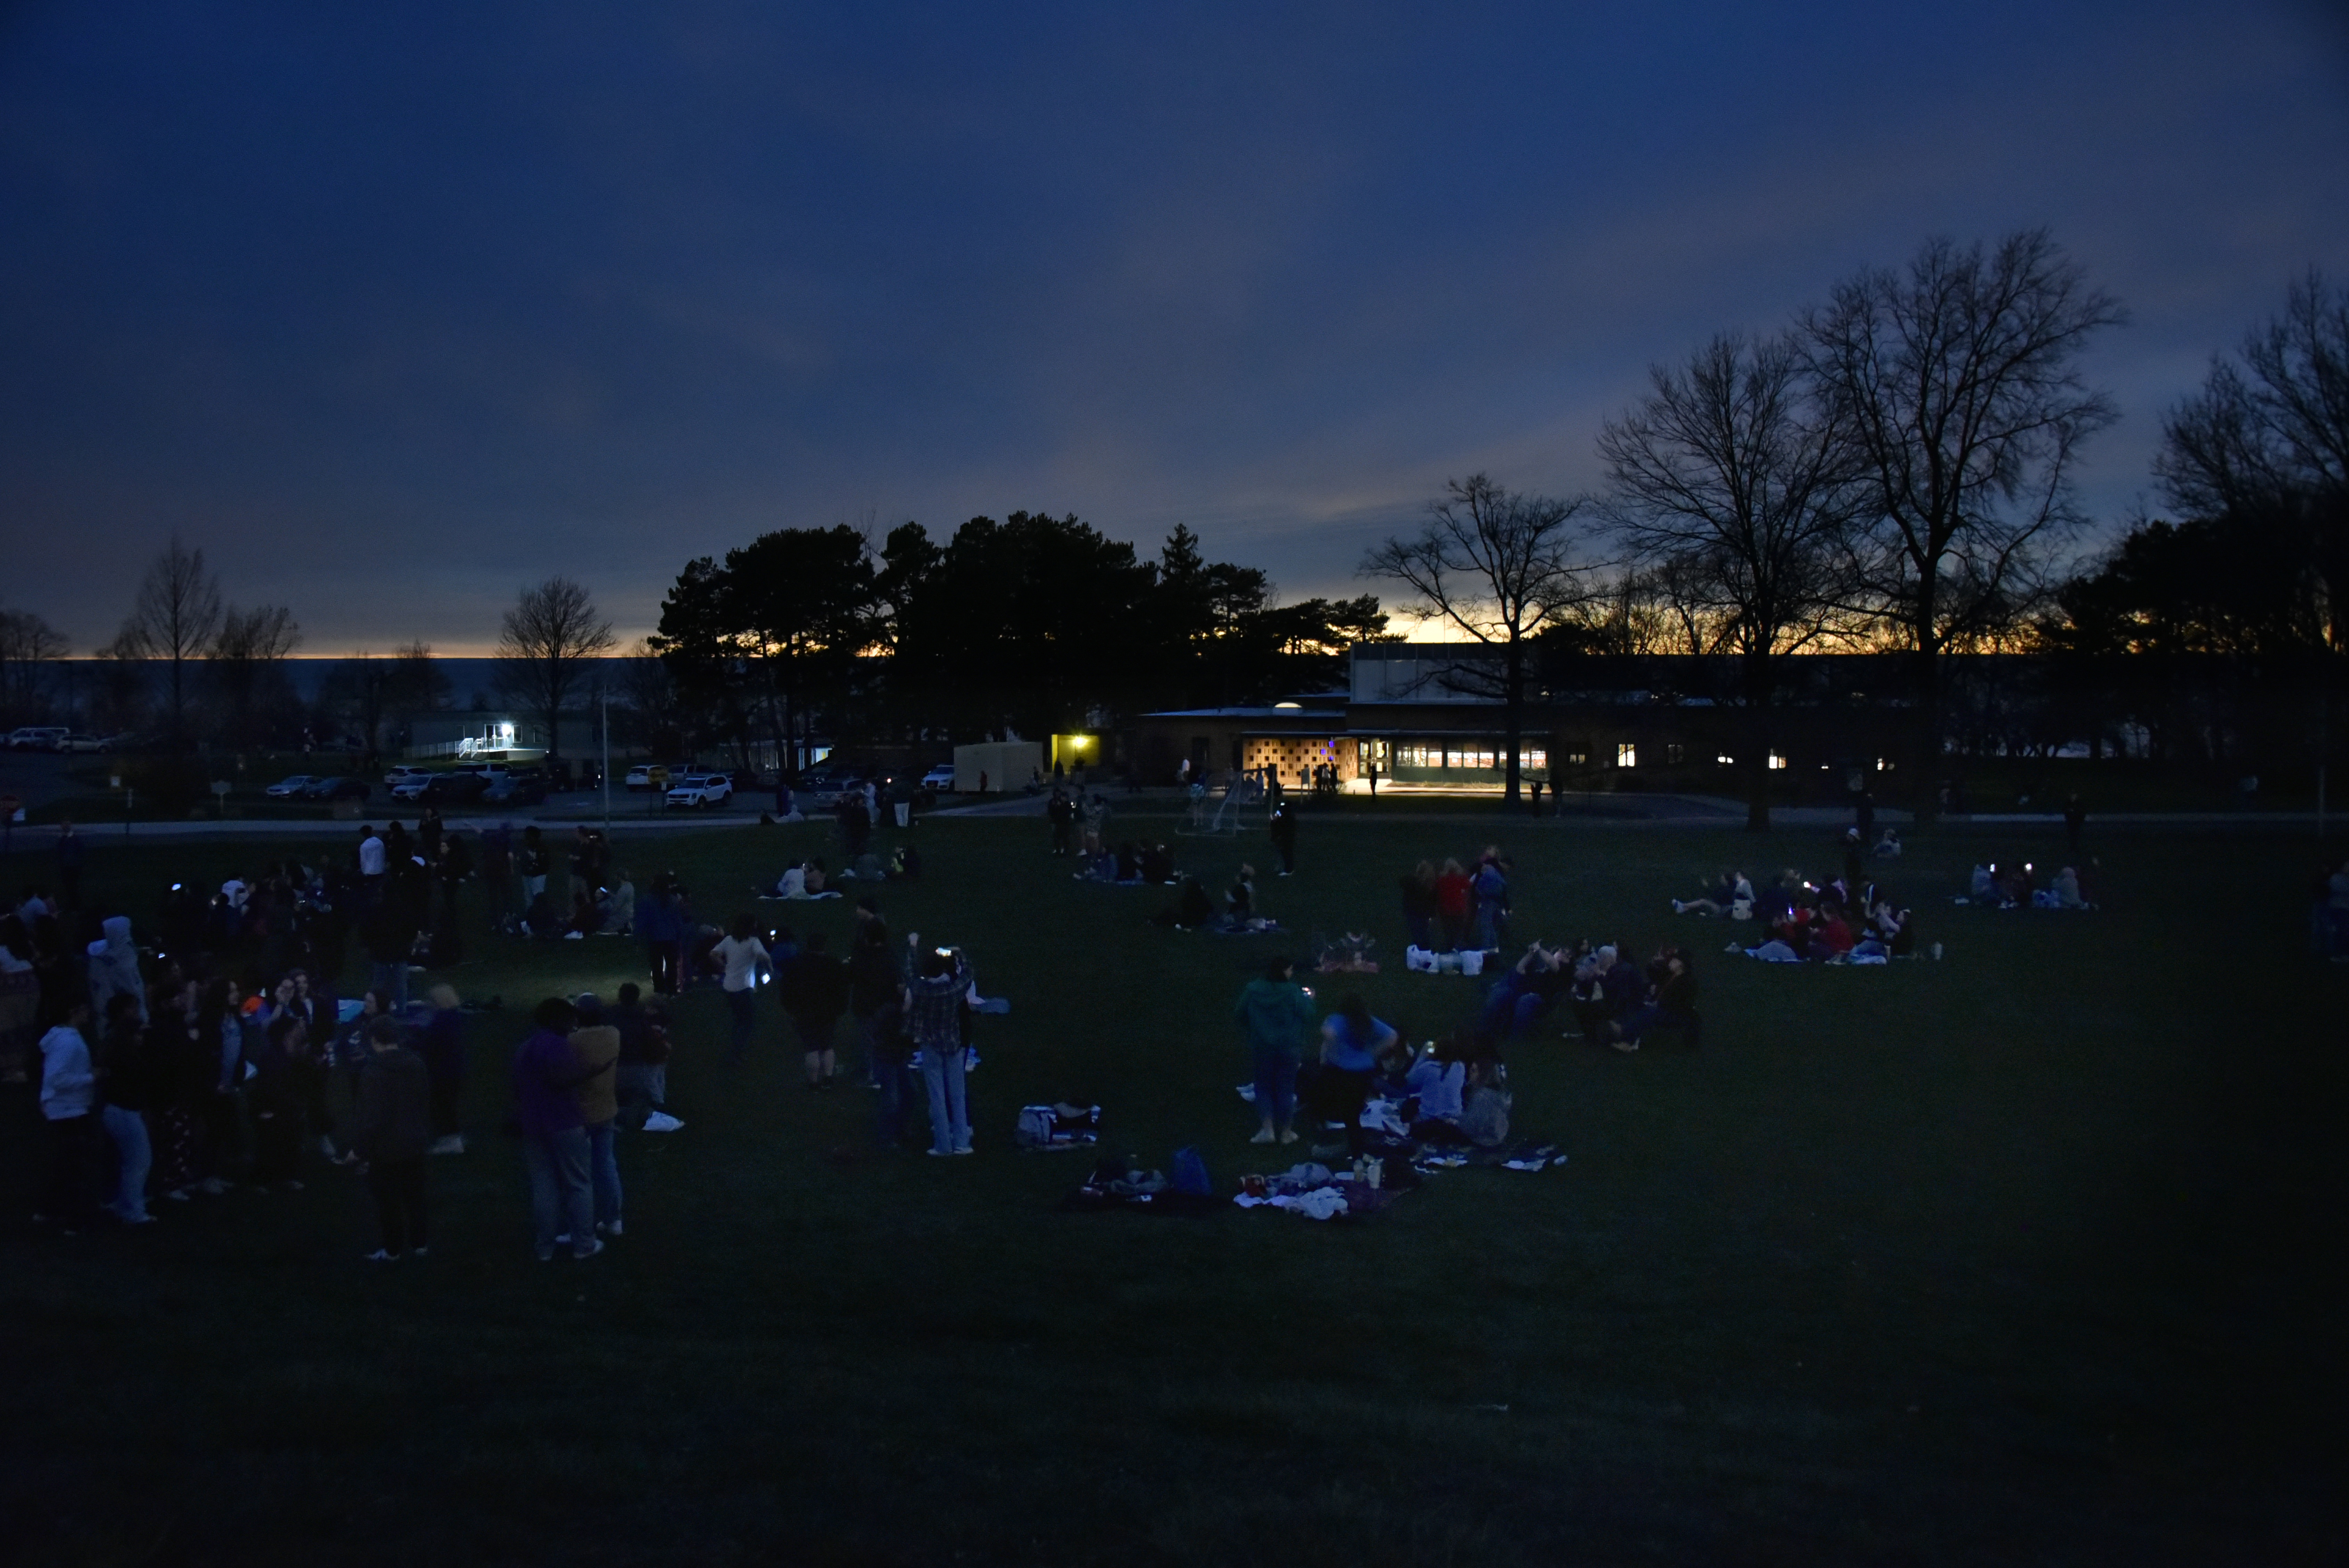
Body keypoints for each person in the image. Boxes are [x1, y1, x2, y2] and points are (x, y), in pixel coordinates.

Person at [514, 998, 601, 1261]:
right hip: (564, 1122)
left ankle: (545, 1247)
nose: (574, 1024)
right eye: (570, 1019)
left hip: (533, 1123)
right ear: (557, 1020)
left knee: (544, 1186)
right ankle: (584, 1244)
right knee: (578, 1183)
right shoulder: (557, 1046)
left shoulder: (525, 1048)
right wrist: (591, 1073)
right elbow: (560, 1080)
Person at [351, 1015, 432, 1260]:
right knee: (415, 1197)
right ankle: (420, 1244)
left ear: (374, 1040)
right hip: (415, 1141)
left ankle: (393, 1250)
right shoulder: (417, 1064)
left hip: (386, 1148)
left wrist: (360, 1150)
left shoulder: (374, 1072)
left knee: (389, 1201)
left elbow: (372, 1117)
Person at [1234, 955, 1315, 1144]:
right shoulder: (1294, 993)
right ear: (1284, 971)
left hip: (1262, 1047)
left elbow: (1240, 1013)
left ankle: (1268, 1130)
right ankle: (1287, 1133)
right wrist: (1310, 999)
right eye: (1290, 969)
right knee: (1286, 1089)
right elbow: (1309, 1015)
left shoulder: (1253, 990)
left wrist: (1255, 1028)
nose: (1292, 972)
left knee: (1263, 1088)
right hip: (1289, 1048)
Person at [35, 1000, 100, 1231]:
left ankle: (50, 1211)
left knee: (66, 1165)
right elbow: (58, 1079)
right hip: (69, 1110)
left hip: (66, 1109)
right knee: (74, 1167)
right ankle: (72, 1218)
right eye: (84, 1008)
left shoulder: (64, 1039)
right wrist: (91, 1078)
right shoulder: (67, 1042)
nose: (88, 1012)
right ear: (73, 1011)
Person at [95, 991, 159, 1224]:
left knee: (131, 1161)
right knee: (139, 1161)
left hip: (117, 1111)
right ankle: (134, 1211)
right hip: (124, 1112)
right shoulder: (127, 1056)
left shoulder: (115, 1048)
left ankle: (124, 1205)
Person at [906, 945, 971, 1156]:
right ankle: (962, 1142)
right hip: (953, 1044)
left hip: (930, 1045)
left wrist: (913, 948)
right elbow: (969, 973)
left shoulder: (920, 990)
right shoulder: (953, 990)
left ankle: (942, 1145)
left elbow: (910, 973)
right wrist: (959, 953)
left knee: (937, 1095)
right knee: (958, 1094)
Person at [569, 994, 623, 1239]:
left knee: (578, 1173)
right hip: (606, 1109)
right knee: (606, 1165)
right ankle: (613, 1220)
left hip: (580, 1113)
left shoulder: (572, 1041)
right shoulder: (613, 1034)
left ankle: (580, 1224)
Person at [1316, 996, 1397, 1158]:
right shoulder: (1369, 1022)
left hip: (1343, 1073)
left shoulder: (1337, 1020)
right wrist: (1373, 1052)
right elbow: (1392, 1036)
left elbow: (1328, 1033)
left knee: (1346, 1114)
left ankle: (1354, 1152)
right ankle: (1357, 1151)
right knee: (1354, 1113)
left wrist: (1333, 1052)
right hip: (1365, 1073)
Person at [779, 932, 849, 1087]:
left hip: (804, 1011)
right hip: (829, 1011)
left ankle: (813, 1080)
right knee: (827, 1045)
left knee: (811, 1046)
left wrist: (791, 1009)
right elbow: (843, 989)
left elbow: (786, 989)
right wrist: (840, 1008)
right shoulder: (834, 964)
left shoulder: (797, 964)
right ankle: (828, 1078)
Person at [711, 912, 773, 1065]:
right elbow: (764, 956)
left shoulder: (728, 940)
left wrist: (723, 966)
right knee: (747, 1022)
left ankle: (735, 1051)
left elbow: (713, 954)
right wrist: (770, 970)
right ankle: (735, 1054)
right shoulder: (753, 942)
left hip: (729, 987)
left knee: (739, 1020)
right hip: (744, 988)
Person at [1609, 949, 1698, 1051]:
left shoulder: (1688, 982)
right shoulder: (1671, 975)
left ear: (1682, 965)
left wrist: (1659, 1003)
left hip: (1674, 1013)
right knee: (1638, 1004)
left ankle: (1627, 1040)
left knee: (1652, 1012)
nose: (1671, 962)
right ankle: (1623, 1028)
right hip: (1662, 1006)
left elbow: (1681, 1004)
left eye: (1675, 960)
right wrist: (1655, 963)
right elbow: (1653, 974)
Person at [421, 984, 466, 1153]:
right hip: (453, 1069)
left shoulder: (441, 1021)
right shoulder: (454, 1017)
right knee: (448, 1105)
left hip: (442, 1071)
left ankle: (451, 1141)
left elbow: (431, 1045)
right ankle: (453, 1138)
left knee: (441, 1106)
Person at [85, 914, 147, 1026]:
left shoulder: (125, 953)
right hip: (119, 1017)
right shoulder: (103, 961)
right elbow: (105, 993)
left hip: (131, 1010)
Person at [1435, 859, 1472, 951]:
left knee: (1448, 930)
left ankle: (1448, 949)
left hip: (1445, 909)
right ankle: (1459, 949)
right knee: (1458, 930)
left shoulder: (1442, 879)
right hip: (1459, 908)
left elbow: (1437, 889)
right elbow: (1468, 886)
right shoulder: (1462, 878)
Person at [1268, 802, 1297, 877]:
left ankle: (1288, 869)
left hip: (1285, 838)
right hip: (1284, 838)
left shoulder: (1286, 818)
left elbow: (1278, 825)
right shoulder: (1287, 816)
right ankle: (1285, 868)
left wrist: (1275, 821)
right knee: (1284, 854)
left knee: (1286, 854)